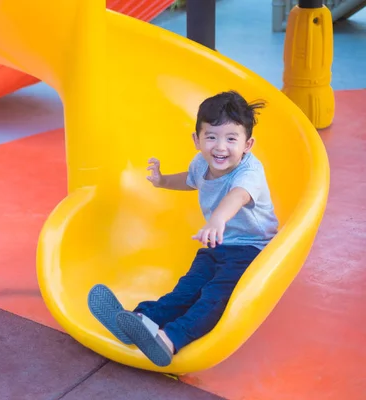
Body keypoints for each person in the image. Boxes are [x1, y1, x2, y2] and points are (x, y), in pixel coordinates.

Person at [87, 90, 279, 367]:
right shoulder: (201, 162)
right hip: (216, 244)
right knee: (186, 290)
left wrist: (217, 220)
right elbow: (190, 180)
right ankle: (143, 320)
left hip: (251, 249)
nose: (220, 147)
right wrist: (162, 180)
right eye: (211, 137)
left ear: (248, 144)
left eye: (231, 139)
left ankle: (170, 339)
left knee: (214, 296)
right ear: (196, 140)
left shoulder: (250, 172)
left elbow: (236, 196)